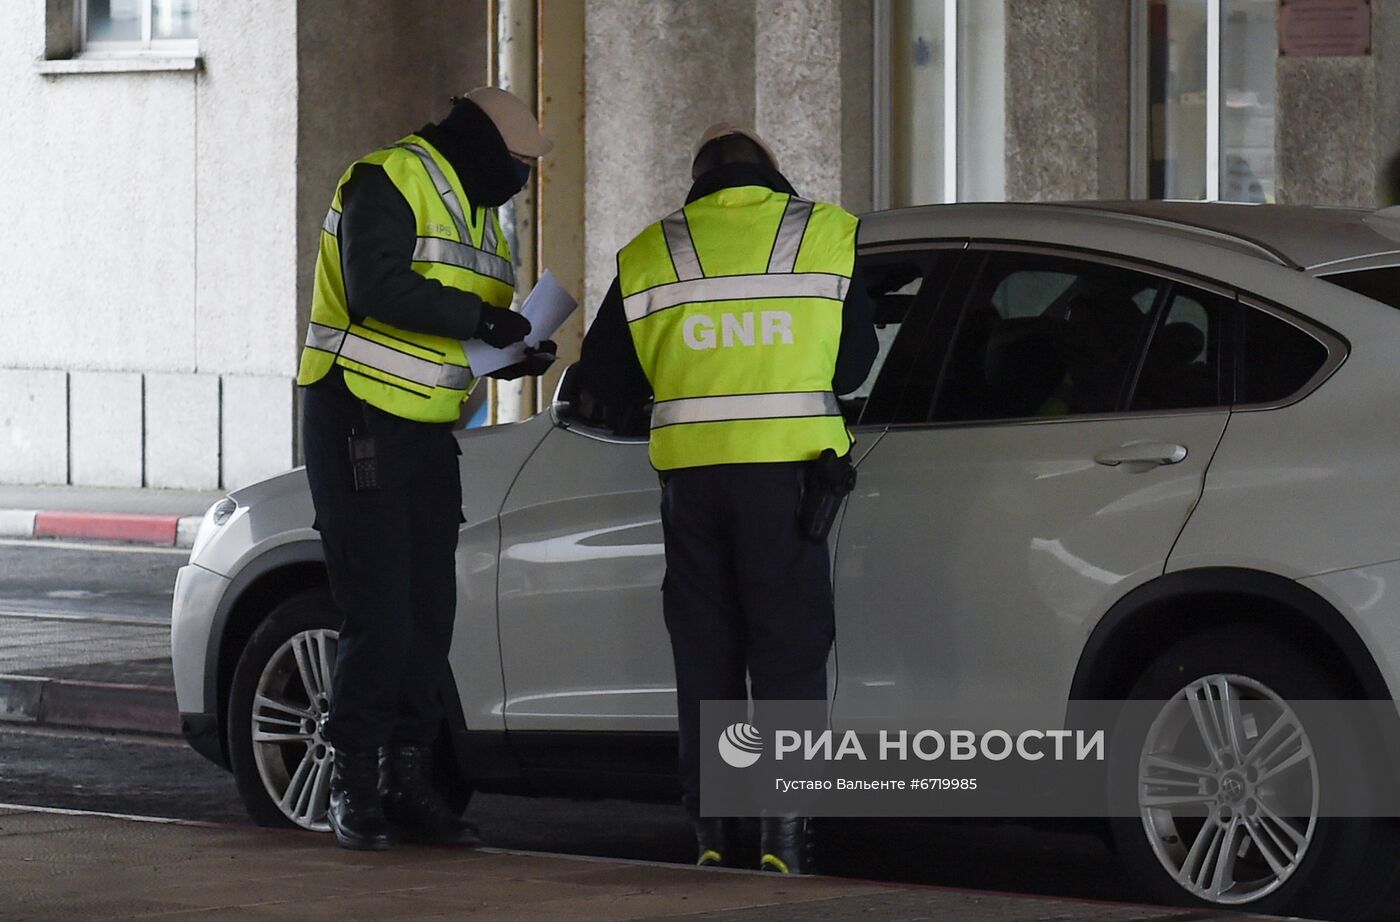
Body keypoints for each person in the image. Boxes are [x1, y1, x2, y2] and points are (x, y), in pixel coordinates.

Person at [573, 123, 877, 873]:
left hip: (693, 488)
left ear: (697, 179)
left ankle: (711, 834)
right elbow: (856, 364)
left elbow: (604, 377)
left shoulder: (653, 251)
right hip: (790, 483)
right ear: (773, 172)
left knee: (706, 657)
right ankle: (784, 839)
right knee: (788, 656)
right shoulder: (827, 234)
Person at [297, 87, 555, 851]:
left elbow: (456, 335)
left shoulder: (480, 214)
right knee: (379, 612)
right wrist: (483, 318)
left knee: (428, 615)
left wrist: (511, 352)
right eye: (517, 163)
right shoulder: (387, 179)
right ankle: (354, 782)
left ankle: (408, 782)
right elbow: (377, 285)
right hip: (360, 419)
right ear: (481, 148)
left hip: (427, 431)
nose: (522, 179)